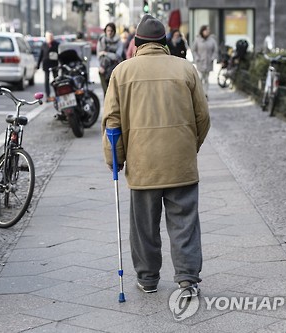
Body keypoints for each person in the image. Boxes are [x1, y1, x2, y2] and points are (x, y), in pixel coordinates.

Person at [101, 15, 210, 297]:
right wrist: (190, 146)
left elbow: (112, 121)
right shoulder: (185, 69)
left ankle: (148, 279)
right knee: (184, 222)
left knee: (144, 227)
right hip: (180, 163)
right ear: (164, 43)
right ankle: (187, 279)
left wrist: (116, 160)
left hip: (142, 165)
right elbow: (203, 117)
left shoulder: (121, 72)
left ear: (137, 43)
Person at [97, 22, 123, 96]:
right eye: (108, 31)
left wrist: (105, 53)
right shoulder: (102, 40)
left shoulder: (118, 41)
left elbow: (117, 56)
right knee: (106, 92)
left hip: (115, 68)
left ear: (114, 31)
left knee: (115, 92)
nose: (109, 33)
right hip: (103, 69)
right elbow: (98, 55)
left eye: (111, 31)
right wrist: (100, 66)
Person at [191, 25, 218, 94]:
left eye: (208, 30)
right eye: (206, 30)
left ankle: (205, 93)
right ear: (202, 31)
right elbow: (193, 50)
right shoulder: (197, 40)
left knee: (206, 78)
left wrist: (213, 57)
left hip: (209, 62)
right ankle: (200, 93)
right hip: (200, 62)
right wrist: (196, 58)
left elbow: (215, 50)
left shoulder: (212, 40)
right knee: (200, 78)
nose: (207, 32)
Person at [36, 31, 60, 101]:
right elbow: (41, 55)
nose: (50, 38)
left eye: (51, 37)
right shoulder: (44, 45)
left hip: (54, 64)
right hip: (46, 64)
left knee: (56, 80)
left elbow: (60, 54)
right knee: (46, 80)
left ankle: (57, 94)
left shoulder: (56, 44)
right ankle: (48, 95)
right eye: (48, 37)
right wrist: (38, 65)